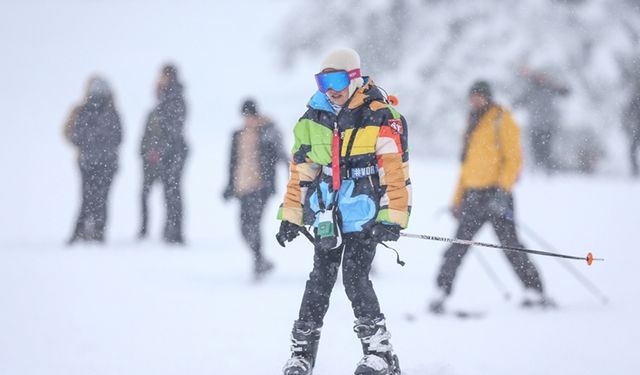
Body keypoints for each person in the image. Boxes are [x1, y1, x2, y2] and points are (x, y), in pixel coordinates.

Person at [276, 48, 410, 375]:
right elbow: (302, 172)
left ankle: (380, 354)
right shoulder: (311, 119)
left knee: (354, 277)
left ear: (354, 77)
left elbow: (394, 172)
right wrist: (292, 215)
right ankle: (301, 355)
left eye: (336, 79)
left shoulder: (380, 115)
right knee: (319, 279)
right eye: (323, 81)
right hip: (328, 218)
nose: (330, 88)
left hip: (365, 214)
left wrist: (392, 216)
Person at [429, 80, 553, 314]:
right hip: (472, 197)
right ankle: (440, 292)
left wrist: (502, 191)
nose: (475, 101)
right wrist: (457, 199)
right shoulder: (471, 122)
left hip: (497, 195)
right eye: (472, 97)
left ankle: (535, 291)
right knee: (458, 246)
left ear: (488, 97)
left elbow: (513, 159)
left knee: (511, 246)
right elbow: (465, 168)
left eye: (479, 96)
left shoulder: (501, 120)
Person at [222, 98, 287, 280]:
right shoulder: (237, 135)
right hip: (242, 186)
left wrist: (294, 175)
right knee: (243, 227)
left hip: (261, 186)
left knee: (254, 224)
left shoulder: (268, 132)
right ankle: (260, 259)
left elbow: (282, 154)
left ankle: (258, 261)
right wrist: (229, 186)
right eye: (245, 116)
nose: (248, 119)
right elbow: (232, 163)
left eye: (250, 115)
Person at [66, 76, 122, 245]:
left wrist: (90, 144)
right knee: (97, 198)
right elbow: (118, 137)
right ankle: (93, 231)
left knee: (90, 198)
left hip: (92, 162)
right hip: (99, 162)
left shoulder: (87, 111)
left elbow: (76, 135)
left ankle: (86, 231)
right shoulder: (108, 112)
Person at [138, 64, 189, 244]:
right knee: (170, 192)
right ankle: (171, 230)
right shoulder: (167, 97)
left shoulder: (174, 98)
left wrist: (160, 147)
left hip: (173, 151)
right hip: (169, 151)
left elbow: (173, 128)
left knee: (172, 192)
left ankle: (175, 231)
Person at [514, 67, 570, 173]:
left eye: (542, 76)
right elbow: (519, 101)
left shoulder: (550, 88)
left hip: (548, 124)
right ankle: (538, 169)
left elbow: (565, 91)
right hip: (535, 125)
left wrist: (552, 82)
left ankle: (547, 170)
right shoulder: (530, 90)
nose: (540, 79)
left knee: (546, 149)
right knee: (535, 149)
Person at [622, 82, 640, 177]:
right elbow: (628, 113)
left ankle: (635, 170)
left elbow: (629, 113)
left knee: (632, 150)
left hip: (636, 128)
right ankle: (635, 171)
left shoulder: (634, 99)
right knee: (632, 150)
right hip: (636, 128)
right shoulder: (634, 99)